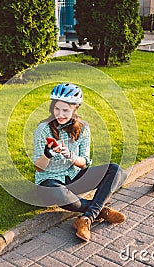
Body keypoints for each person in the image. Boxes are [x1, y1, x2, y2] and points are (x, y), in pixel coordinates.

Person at [32, 83, 128, 242]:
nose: (60, 114)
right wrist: (47, 154)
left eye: (66, 110)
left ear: (75, 109)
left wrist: (70, 155)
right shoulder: (43, 129)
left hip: (74, 176)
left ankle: (86, 218)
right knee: (59, 193)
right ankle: (99, 210)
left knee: (116, 171)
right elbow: (38, 168)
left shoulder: (83, 128)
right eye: (57, 109)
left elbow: (84, 163)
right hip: (49, 182)